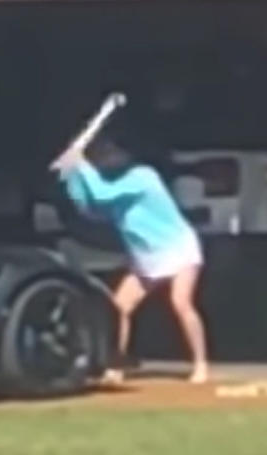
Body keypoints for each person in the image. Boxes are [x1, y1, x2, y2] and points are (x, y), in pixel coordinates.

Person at [52, 133, 209, 385]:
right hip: (146, 256)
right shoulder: (113, 190)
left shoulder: (143, 177)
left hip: (178, 248)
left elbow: (102, 194)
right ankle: (115, 366)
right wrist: (72, 176)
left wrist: (80, 163)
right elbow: (89, 208)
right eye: (101, 155)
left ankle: (201, 364)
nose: (106, 158)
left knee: (180, 302)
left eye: (110, 152)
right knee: (119, 308)